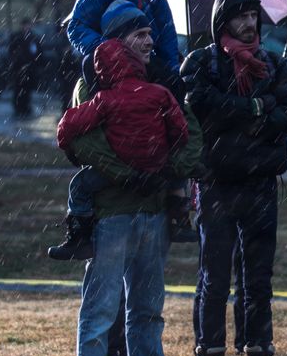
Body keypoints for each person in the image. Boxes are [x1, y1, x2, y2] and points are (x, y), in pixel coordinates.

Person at [66, 14, 202, 356]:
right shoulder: (91, 85)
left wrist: (166, 170)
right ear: (119, 41)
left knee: (147, 310)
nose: (150, 40)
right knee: (99, 313)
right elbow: (81, 141)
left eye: (149, 32)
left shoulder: (162, 82)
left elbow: (190, 133)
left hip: (152, 212)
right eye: (141, 34)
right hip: (112, 214)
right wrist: (132, 173)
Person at [181, 0, 287, 356]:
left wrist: (252, 116)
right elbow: (197, 104)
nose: (249, 23)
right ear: (221, 22)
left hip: (261, 186)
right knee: (213, 283)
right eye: (239, 16)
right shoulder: (202, 62)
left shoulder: (276, 65)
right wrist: (253, 109)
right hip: (216, 186)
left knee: (258, 284)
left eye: (253, 15)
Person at [53, 35, 188, 260]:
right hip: (157, 164)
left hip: (123, 165)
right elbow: (180, 129)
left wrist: (65, 143)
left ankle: (80, 236)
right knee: (179, 175)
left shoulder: (105, 99)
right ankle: (180, 216)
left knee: (79, 185)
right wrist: (167, 148)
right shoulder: (159, 92)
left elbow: (71, 123)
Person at [8, 18, 43, 117]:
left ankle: (26, 106)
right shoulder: (17, 37)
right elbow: (12, 51)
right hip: (19, 67)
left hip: (30, 67)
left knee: (27, 88)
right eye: (26, 25)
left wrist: (37, 62)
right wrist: (16, 60)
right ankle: (18, 107)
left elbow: (38, 51)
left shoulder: (33, 37)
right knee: (18, 88)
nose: (28, 27)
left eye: (29, 25)